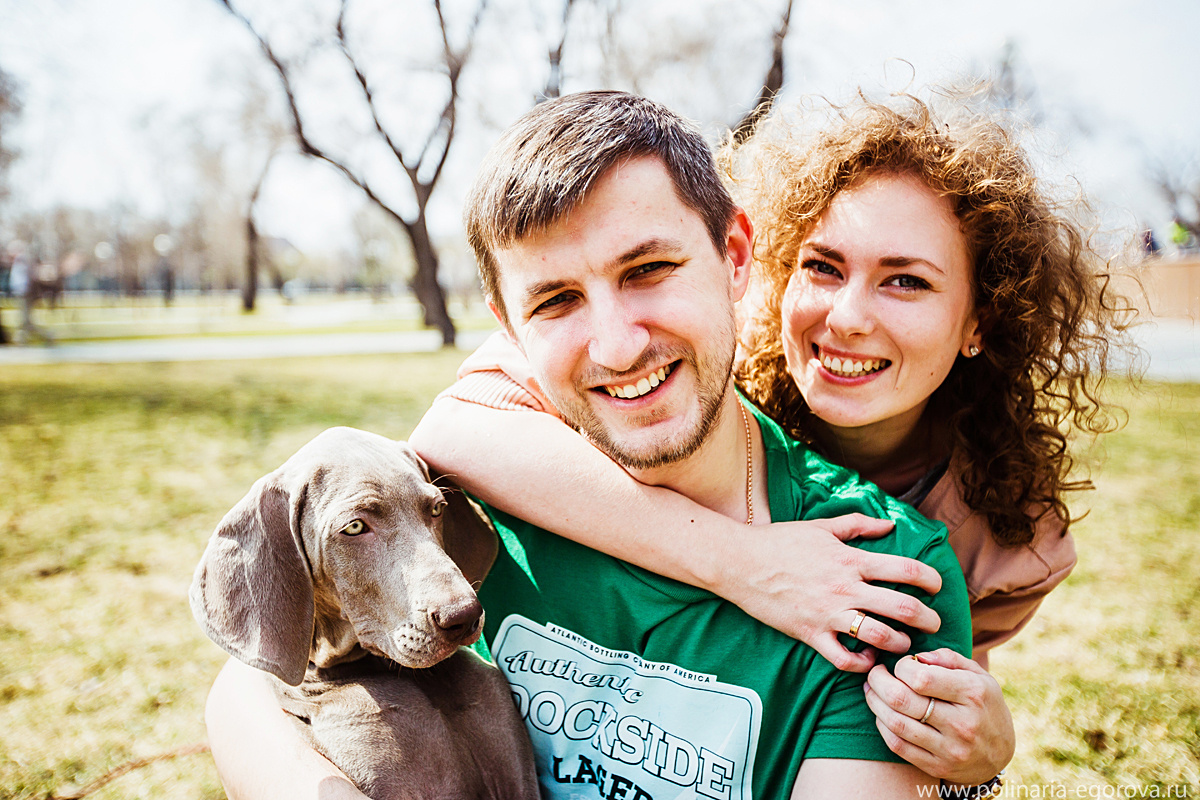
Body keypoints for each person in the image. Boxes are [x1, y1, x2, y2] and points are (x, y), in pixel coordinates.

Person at [204, 91, 973, 800]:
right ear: (508, 327)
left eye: (649, 269)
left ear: (735, 256)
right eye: (557, 300)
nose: (615, 347)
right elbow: (257, 681)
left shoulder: (877, 574)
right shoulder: (467, 512)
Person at [414, 94, 1130, 791]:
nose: (846, 318)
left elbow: (915, 713)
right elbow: (454, 429)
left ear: (982, 320)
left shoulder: (991, 540)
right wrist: (743, 561)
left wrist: (977, 763)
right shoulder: (700, 369)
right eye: (822, 267)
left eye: (907, 281)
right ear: (765, 269)